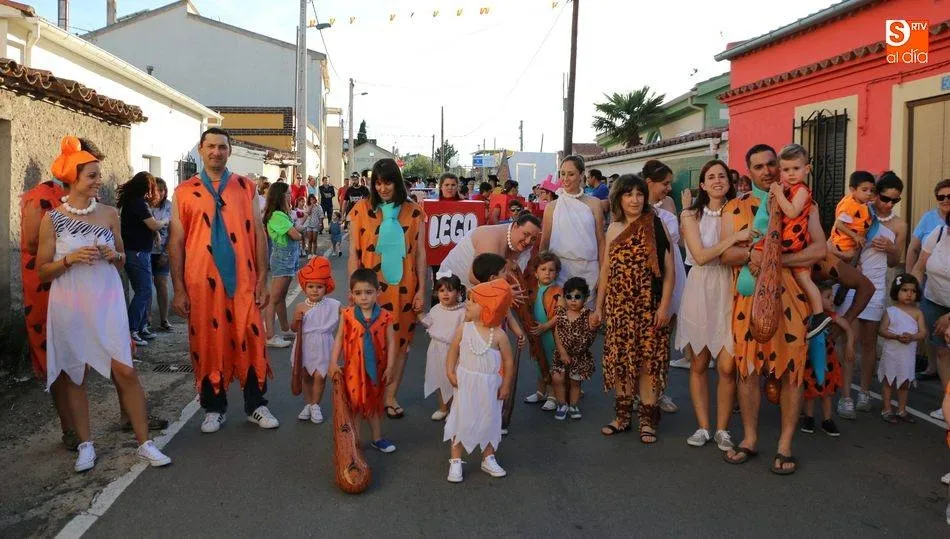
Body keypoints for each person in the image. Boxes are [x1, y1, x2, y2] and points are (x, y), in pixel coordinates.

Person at [38, 135, 171, 472]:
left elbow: (123, 258)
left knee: (125, 370)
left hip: (107, 300)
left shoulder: (110, 213)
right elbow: (42, 270)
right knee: (76, 374)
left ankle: (145, 443)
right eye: (92, 175)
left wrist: (115, 255)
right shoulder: (52, 219)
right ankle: (86, 445)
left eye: (99, 174)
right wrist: (68, 259)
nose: (99, 181)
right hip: (70, 303)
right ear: (73, 179)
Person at [720, 144, 826, 474]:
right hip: (749, 300)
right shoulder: (735, 208)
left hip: (792, 299)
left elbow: (819, 249)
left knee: (792, 370)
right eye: (758, 166)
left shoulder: (804, 203)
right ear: (748, 171)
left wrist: (773, 259)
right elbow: (726, 255)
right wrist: (751, 255)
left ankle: (785, 444)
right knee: (748, 369)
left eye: (771, 165)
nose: (767, 171)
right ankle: (750, 438)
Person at [169, 127, 279, 434]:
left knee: (251, 336)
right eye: (211, 146)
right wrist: (178, 288)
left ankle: (256, 405)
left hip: (244, 279)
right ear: (201, 150)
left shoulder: (246, 187)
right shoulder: (183, 192)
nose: (217, 152)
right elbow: (176, 241)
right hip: (201, 282)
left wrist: (263, 278)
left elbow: (258, 234)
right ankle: (213, 408)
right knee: (207, 341)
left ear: (229, 151)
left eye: (222, 147)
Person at [595, 174, 675, 443]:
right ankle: (622, 417)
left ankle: (647, 420)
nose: (635, 199)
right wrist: (599, 308)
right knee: (621, 361)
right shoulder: (613, 228)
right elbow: (606, 270)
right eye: (628, 194)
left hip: (649, 306)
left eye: (639, 194)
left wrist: (664, 307)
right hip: (619, 308)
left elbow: (670, 271)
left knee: (648, 363)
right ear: (618, 198)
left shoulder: (656, 224)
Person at [676, 159, 749, 450]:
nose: (718, 180)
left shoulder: (738, 212)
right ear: (703, 184)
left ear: (729, 182)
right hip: (700, 288)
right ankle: (703, 427)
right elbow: (701, 256)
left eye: (722, 176)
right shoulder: (690, 215)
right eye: (711, 177)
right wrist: (735, 239)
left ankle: (722, 429)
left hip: (729, 287)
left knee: (728, 366)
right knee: (699, 362)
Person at [347, 158, 427, 419]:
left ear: (397, 182)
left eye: (388, 182)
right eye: (378, 183)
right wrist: (353, 288)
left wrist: (421, 290)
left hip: (404, 289)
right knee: (369, 343)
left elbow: (420, 254)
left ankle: (390, 396)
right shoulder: (361, 210)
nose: (382, 188)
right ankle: (369, 394)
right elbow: (354, 253)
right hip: (369, 291)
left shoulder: (414, 212)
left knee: (401, 344)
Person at [835, 172, 907, 418]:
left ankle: (864, 392)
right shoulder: (859, 211)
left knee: (868, 343)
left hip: (876, 286)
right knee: (849, 339)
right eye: (885, 198)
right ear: (875, 194)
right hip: (853, 283)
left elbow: (895, 261)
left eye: (895, 200)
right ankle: (845, 396)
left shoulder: (899, 225)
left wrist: (892, 248)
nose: (888, 204)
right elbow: (838, 238)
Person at [20, 160, 72, 449]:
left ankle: (130, 416)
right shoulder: (40, 197)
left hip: (80, 284)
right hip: (45, 287)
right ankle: (70, 430)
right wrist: (65, 244)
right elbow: (30, 244)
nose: (97, 179)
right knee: (57, 357)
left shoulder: (89, 201)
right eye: (90, 172)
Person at [443, 278, 516, 482]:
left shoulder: (499, 335)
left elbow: (508, 361)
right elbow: (453, 350)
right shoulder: (464, 329)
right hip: (465, 383)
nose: (467, 303)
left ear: (488, 309)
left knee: (489, 419)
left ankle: (488, 457)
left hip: (490, 386)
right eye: (468, 299)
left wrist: (506, 385)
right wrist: (450, 371)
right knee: (461, 418)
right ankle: (456, 460)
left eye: (473, 301)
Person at [328, 268, 397, 453]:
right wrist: (333, 362)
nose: (364, 297)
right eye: (358, 293)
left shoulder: (386, 317)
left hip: (377, 369)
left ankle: (377, 438)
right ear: (351, 294)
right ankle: (355, 441)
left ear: (378, 292)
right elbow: (339, 338)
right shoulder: (347, 314)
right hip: (353, 370)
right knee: (355, 405)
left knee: (374, 403)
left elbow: (392, 343)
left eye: (368, 292)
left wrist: (391, 367)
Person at [769, 144, 831, 338]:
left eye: (796, 168)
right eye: (786, 169)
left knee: (802, 278)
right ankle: (817, 315)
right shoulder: (790, 189)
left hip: (793, 240)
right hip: (791, 239)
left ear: (807, 169)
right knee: (803, 279)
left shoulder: (802, 190)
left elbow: (792, 212)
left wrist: (778, 194)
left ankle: (818, 315)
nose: (791, 174)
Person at [643, 159, 685, 413]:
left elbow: (677, 241)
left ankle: (659, 390)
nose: (669, 188)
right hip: (650, 274)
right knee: (643, 339)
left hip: (674, 270)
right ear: (650, 182)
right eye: (665, 183)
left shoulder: (668, 204)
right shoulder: (633, 206)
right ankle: (640, 392)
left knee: (663, 339)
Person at [541, 155, 605, 303]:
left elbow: (601, 241)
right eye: (563, 174)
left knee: (587, 314)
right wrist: (542, 271)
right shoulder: (551, 207)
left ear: (581, 175)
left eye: (571, 174)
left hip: (589, 271)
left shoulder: (595, 204)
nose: (565, 179)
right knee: (559, 313)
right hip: (559, 272)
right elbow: (544, 242)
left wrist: (603, 274)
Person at [117, 172, 166, 346]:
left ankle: (141, 326)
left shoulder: (134, 202)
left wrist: (155, 233)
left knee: (144, 290)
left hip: (138, 252)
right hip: (137, 253)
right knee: (144, 291)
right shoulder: (138, 202)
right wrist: (164, 222)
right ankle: (132, 330)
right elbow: (153, 224)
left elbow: (146, 226)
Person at [908, 179, 950, 383]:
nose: (945, 200)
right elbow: (918, 263)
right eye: (941, 196)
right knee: (941, 349)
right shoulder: (937, 231)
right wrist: (911, 287)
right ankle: (947, 397)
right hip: (933, 295)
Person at [290, 256, 340, 424]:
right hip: (305, 345)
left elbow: (348, 314)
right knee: (306, 375)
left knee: (320, 375)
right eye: (311, 286)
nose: (315, 290)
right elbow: (293, 328)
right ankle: (309, 404)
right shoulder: (300, 306)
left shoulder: (333, 304)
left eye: (319, 287)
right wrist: (296, 320)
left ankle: (316, 404)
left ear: (326, 287)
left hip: (323, 345)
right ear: (305, 287)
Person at [801, 281, 854, 437]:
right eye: (828, 297)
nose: (832, 300)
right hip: (809, 358)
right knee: (810, 389)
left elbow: (848, 328)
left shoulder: (831, 316)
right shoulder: (807, 315)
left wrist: (850, 344)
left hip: (827, 359)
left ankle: (827, 419)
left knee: (826, 391)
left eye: (832, 296)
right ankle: (808, 417)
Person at [911, 210, 950, 420]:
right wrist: (912, 293)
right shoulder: (939, 233)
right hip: (933, 300)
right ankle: (948, 403)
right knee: (942, 352)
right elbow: (919, 267)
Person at [877, 274, 927, 423]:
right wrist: (896, 336)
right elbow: (882, 330)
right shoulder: (891, 311)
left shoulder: (918, 313)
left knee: (905, 382)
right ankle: (887, 409)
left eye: (913, 291)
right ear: (897, 291)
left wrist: (912, 337)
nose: (909, 294)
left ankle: (902, 409)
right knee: (889, 380)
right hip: (891, 353)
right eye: (905, 290)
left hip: (907, 354)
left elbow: (923, 333)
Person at [420, 270, 467, 421]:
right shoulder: (436, 309)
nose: (445, 294)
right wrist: (419, 314)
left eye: (450, 290)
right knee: (438, 379)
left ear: (458, 292)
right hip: (436, 349)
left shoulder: (463, 312)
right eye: (441, 290)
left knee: (454, 380)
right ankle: (443, 408)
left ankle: (455, 410)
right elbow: (428, 323)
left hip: (454, 351)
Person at [262, 182, 303, 348]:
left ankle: (286, 329)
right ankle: (270, 336)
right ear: (280, 196)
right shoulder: (277, 215)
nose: (290, 196)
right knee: (274, 298)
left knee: (281, 297)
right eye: (287, 194)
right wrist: (300, 232)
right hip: (282, 258)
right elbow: (295, 235)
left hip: (288, 258)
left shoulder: (283, 214)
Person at [551, 276, 595, 421]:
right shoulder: (562, 313)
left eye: (577, 297)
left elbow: (594, 329)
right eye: (569, 297)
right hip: (561, 354)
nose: (573, 300)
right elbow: (557, 332)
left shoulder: (588, 315)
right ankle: (561, 404)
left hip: (579, 356)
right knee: (557, 379)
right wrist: (562, 352)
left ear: (585, 298)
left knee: (575, 382)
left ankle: (573, 405)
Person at [524, 251, 562, 412]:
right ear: (536, 272)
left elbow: (561, 313)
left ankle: (553, 396)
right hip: (537, 334)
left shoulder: (557, 291)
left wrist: (546, 326)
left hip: (551, 335)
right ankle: (541, 392)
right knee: (541, 363)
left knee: (552, 365)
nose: (547, 273)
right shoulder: (533, 291)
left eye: (551, 270)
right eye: (543, 269)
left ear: (557, 273)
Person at [829, 171, 876, 263]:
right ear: (853, 190)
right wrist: (855, 236)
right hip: (843, 246)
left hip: (852, 246)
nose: (869, 193)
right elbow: (838, 224)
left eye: (871, 190)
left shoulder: (861, 203)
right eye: (864, 190)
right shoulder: (849, 205)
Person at [150, 177, 173, 332]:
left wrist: (166, 253)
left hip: (162, 251)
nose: (160, 193)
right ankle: (146, 319)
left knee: (162, 285)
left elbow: (173, 231)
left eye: (162, 189)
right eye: (156, 190)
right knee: (146, 287)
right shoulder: (145, 205)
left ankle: (164, 319)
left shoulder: (169, 207)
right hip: (147, 251)